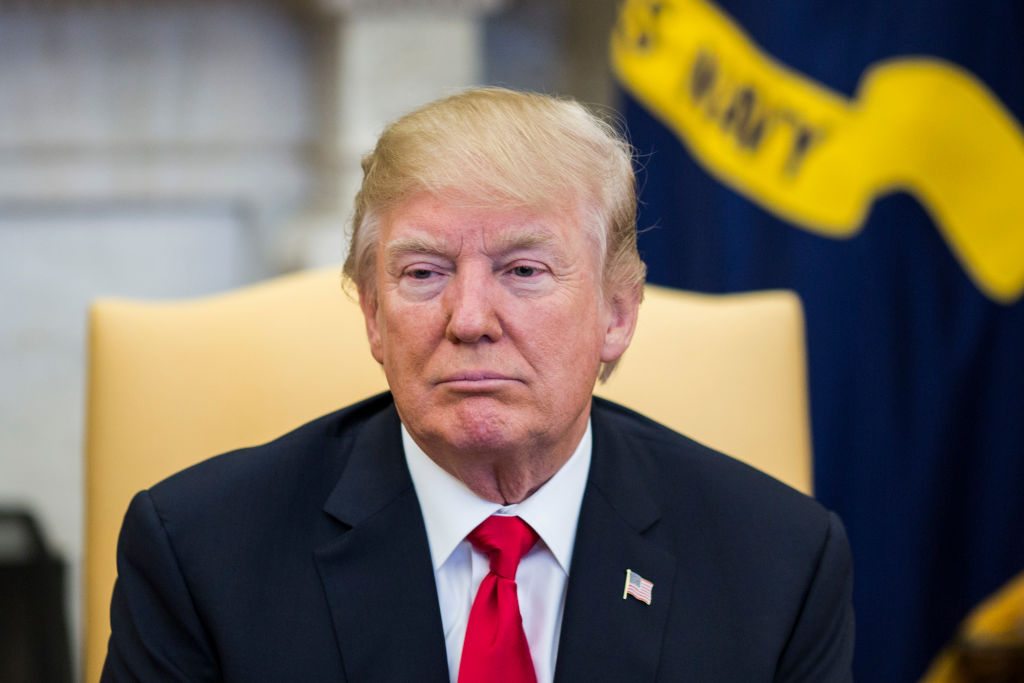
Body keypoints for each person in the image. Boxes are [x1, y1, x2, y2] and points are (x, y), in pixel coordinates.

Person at [102, 88, 854, 682]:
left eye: (523, 271)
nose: (469, 319)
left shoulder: (779, 564)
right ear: (372, 316)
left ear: (617, 313)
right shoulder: (199, 557)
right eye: (423, 273)